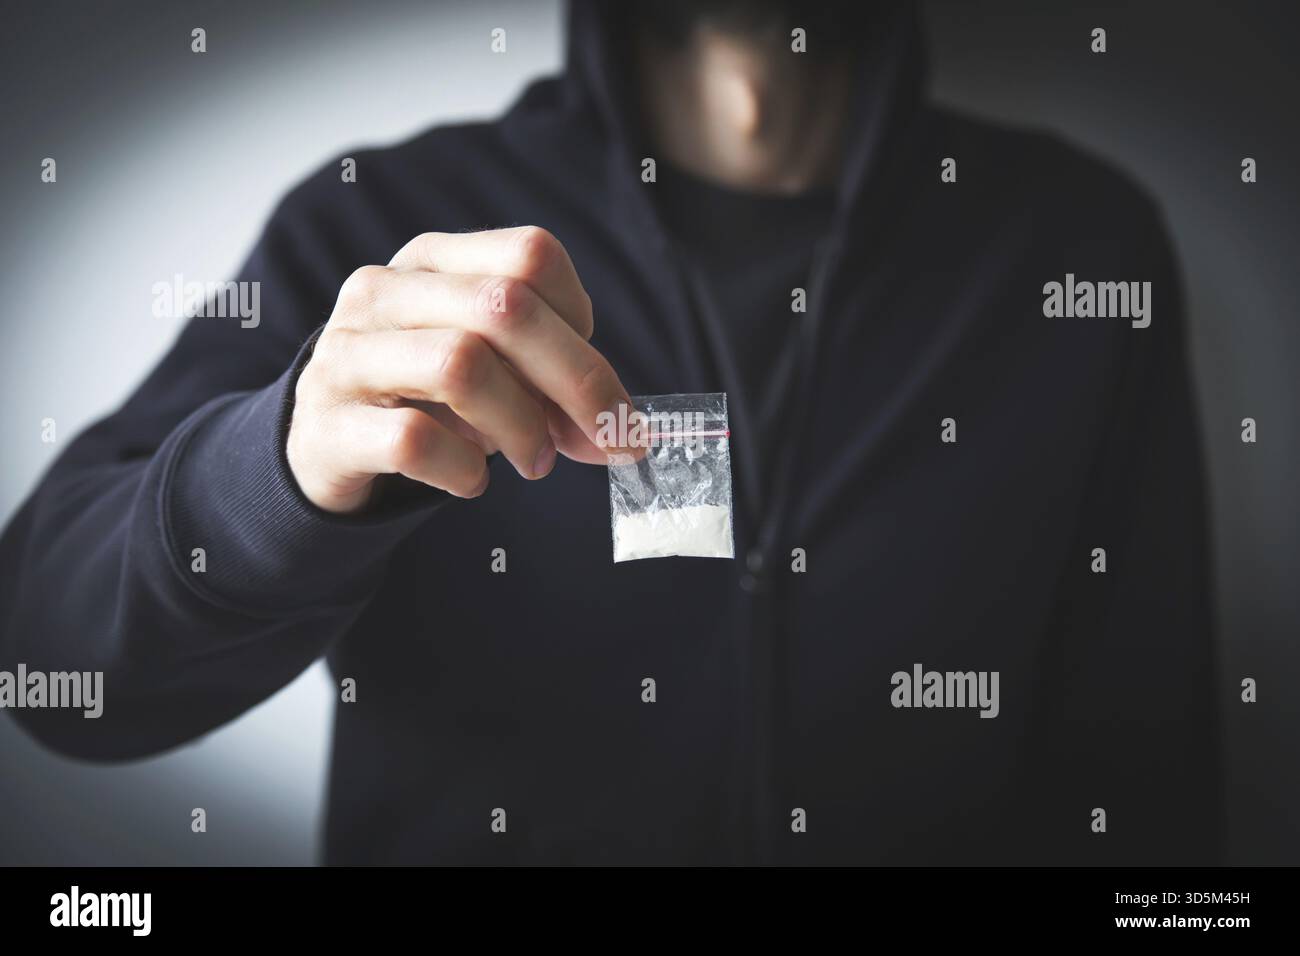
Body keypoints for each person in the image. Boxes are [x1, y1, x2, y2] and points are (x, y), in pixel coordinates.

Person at [0, 0, 1223, 864]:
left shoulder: (1078, 250)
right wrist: (277, 472)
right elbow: (51, 666)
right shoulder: (384, 227)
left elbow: (1145, 761)